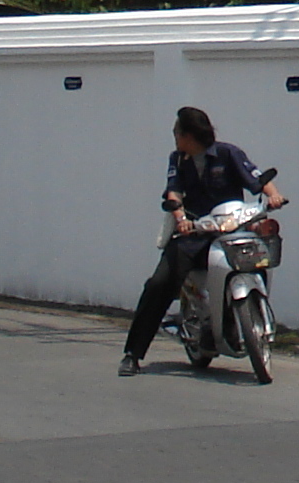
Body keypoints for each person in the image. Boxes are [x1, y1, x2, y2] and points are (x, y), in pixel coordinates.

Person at [119, 105, 282, 374]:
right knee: (159, 284)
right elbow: (173, 192)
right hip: (194, 234)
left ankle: (246, 317)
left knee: (259, 257)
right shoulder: (178, 160)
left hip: (231, 231)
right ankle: (132, 354)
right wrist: (180, 217)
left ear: (190, 135)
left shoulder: (228, 153)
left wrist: (274, 195)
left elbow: (257, 178)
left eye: (177, 132)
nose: (175, 137)